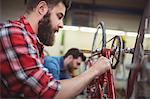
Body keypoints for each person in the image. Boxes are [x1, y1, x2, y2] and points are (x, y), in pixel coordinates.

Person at [0, 0, 111, 98]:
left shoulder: (35, 44)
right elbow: (48, 92)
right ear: (42, 9)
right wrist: (95, 70)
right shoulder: (14, 33)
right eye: (59, 16)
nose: (61, 25)